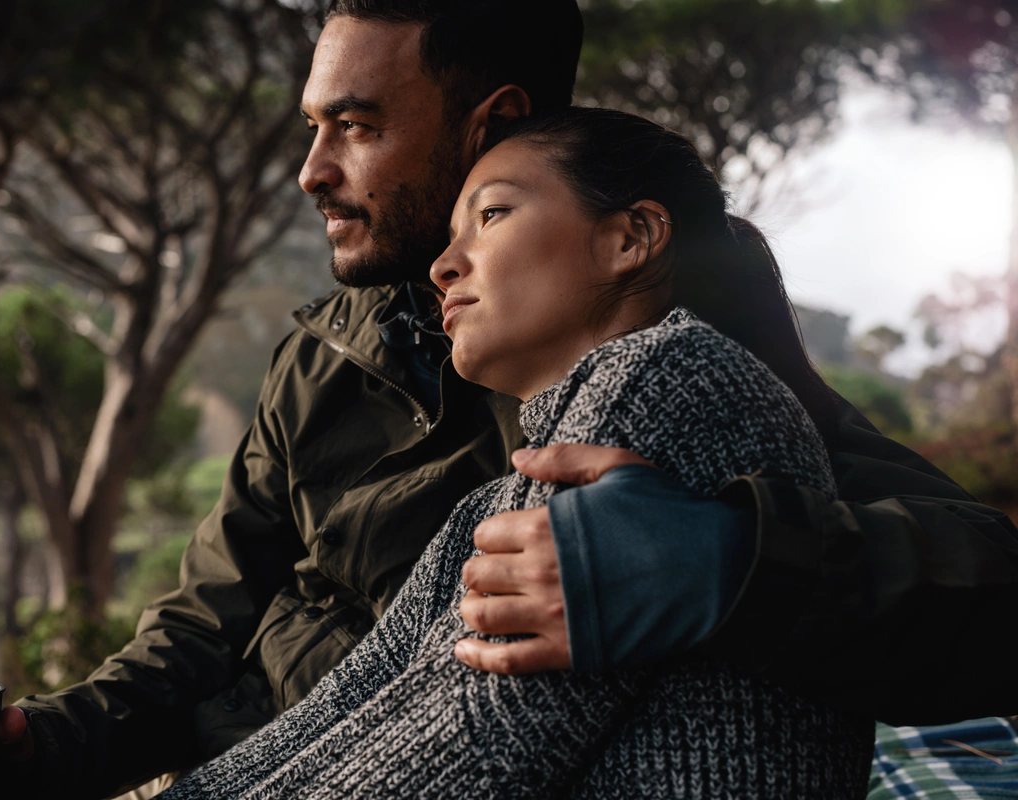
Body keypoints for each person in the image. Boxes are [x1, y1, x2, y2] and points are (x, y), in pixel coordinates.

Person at [0, 1, 1018, 798]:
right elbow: (206, 627)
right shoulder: (328, 352)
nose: (311, 171)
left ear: (491, 119)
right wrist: (34, 745)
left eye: (355, 125)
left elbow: (988, 586)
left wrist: (735, 560)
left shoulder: (663, 361)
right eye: (311, 127)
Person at [156, 106, 876, 800]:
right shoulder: (504, 494)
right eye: (450, 233)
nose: (443, 264)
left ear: (630, 238)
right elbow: (338, 717)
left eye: (491, 215)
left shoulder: (664, 378)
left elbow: (467, 744)